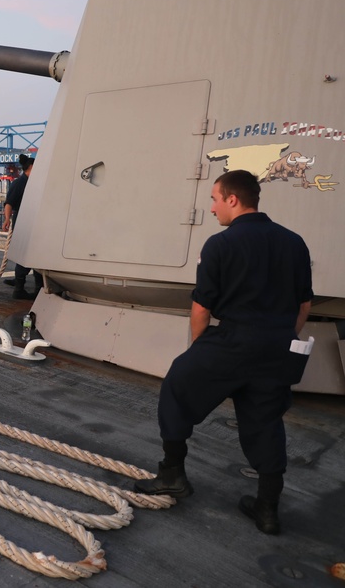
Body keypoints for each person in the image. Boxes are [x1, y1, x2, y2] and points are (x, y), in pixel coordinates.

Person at [134, 170, 313, 536]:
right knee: (265, 421)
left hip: (231, 342)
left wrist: (202, 353)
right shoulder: (295, 242)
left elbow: (201, 310)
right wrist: (278, 338)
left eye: (215, 198)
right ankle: (267, 509)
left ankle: (172, 475)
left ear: (233, 199)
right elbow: (304, 305)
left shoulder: (219, 244)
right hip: (278, 346)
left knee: (177, 387)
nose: (212, 207)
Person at [2, 154, 43, 300]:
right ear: (31, 167)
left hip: (31, 222)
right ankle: (20, 289)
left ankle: (35, 288)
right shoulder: (20, 183)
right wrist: (7, 219)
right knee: (28, 255)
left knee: (33, 255)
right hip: (25, 224)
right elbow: (9, 203)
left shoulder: (32, 182)